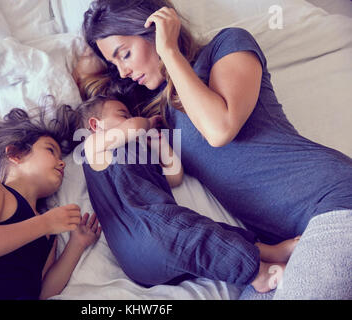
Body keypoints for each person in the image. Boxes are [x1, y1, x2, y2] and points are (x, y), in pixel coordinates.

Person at [79, 0, 352, 299]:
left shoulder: (227, 45)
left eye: (125, 54)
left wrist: (168, 50)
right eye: (114, 65)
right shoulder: (156, 114)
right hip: (282, 246)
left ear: (153, 28)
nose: (124, 71)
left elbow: (220, 129)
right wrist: (92, 37)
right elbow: (89, 87)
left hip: (330, 201)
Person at [76, 94, 300, 293]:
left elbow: (175, 176)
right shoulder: (94, 147)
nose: (130, 119)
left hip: (162, 251)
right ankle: (257, 275)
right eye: (122, 114)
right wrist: (145, 123)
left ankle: (269, 252)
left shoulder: (140, 155)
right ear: (96, 125)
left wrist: (159, 143)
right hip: (145, 235)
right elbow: (133, 127)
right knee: (198, 237)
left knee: (212, 232)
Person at [0, 107, 101, 300]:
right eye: (50, 150)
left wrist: (76, 244)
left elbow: (43, 291)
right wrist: (46, 223)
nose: (61, 162)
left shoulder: (48, 232)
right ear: (15, 154)